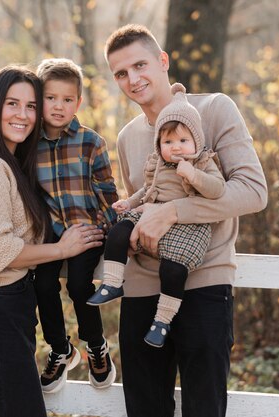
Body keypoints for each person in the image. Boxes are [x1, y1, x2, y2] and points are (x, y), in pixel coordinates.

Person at [104, 24, 268, 417]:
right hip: (142, 288)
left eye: (140, 65)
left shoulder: (214, 109)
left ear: (163, 62)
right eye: (121, 73)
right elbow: (144, 204)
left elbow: (252, 191)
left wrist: (174, 212)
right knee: (144, 408)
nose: (133, 79)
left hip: (204, 281)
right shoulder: (128, 137)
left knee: (203, 407)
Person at [0, 65, 104, 417]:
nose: (23, 115)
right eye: (12, 104)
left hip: (8, 312)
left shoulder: (10, 164)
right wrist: (62, 250)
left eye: (32, 106)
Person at [87, 82, 225, 349]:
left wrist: (193, 175)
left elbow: (217, 189)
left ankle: (162, 321)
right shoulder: (157, 163)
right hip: (151, 213)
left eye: (183, 140)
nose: (176, 147)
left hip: (188, 226)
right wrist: (129, 202)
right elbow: (147, 190)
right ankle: (112, 283)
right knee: (117, 232)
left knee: (173, 271)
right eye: (168, 141)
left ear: (196, 140)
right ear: (158, 143)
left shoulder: (203, 162)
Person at [33, 58, 118, 393]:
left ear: (78, 103)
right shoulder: (30, 146)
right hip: (51, 232)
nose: (59, 106)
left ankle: (96, 346)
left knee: (80, 285)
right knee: (42, 284)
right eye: (51, 98)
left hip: (86, 230)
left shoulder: (90, 142)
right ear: (40, 100)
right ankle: (60, 349)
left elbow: (108, 192)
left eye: (67, 100)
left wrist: (108, 230)